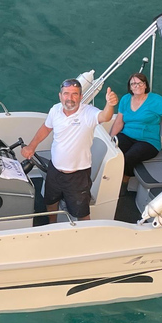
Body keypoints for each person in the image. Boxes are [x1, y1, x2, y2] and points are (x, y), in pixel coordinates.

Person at [21, 79, 118, 221]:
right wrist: (31, 146)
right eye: (66, 94)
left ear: (81, 96)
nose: (70, 98)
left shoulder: (89, 113)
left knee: (81, 212)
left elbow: (105, 116)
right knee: (50, 201)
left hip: (78, 176)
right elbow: (46, 128)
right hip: (54, 169)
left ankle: (84, 235)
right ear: (60, 96)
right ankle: (52, 224)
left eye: (74, 94)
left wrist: (110, 105)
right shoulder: (55, 110)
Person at [108, 73, 162, 186]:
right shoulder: (125, 99)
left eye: (140, 83)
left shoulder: (155, 100)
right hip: (127, 135)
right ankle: (109, 179)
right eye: (133, 84)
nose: (136, 86)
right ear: (130, 87)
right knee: (114, 151)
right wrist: (110, 140)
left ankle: (124, 180)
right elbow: (119, 122)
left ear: (145, 85)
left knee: (129, 157)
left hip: (148, 141)